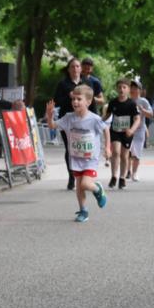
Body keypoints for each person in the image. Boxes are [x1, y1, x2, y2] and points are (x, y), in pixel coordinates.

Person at [45, 84, 109, 222]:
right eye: (73, 99)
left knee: (86, 184)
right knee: (79, 186)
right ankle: (83, 211)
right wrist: (49, 116)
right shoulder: (69, 118)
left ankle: (97, 189)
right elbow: (52, 126)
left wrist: (107, 148)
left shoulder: (94, 119)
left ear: (88, 101)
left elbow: (106, 129)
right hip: (76, 158)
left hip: (90, 158)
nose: (75, 102)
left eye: (79, 99)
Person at [52, 57, 86, 190]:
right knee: (70, 149)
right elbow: (56, 101)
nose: (75, 69)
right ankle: (72, 176)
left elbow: (91, 101)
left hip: (83, 120)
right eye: (72, 67)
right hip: (67, 120)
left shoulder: (86, 83)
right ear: (68, 69)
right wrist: (69, 96)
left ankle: (82, 174)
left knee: (81, 148)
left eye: (77, 66)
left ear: (81, 69)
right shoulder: (63, 84)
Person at [103, 78, 142, 189]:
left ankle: (122, 178)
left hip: (127, 133)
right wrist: (98, 122)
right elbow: (107, 116)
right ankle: (114, 176)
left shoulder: (131, 104)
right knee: (115, 152)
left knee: (125, 156)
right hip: (115, 131)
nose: (121, 89)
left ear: (128, 90)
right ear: (116, 89)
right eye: (119, 87)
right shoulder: (113, 102)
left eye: (124, 87)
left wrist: (132, 130)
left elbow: (137, 119)